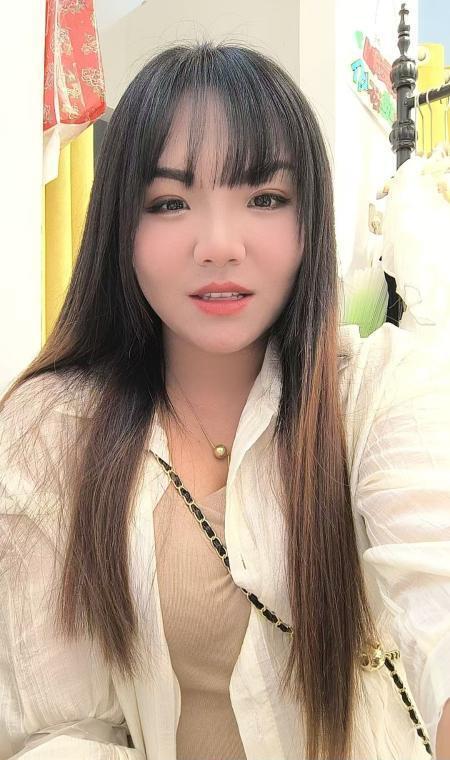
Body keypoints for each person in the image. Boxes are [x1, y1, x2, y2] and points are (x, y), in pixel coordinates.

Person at [0, 40, 449, 760]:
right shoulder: (52, 429)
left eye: (264, 198)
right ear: (120, 228)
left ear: (308, 221)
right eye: (170, 202)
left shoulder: (376, 392)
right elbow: (57, 729)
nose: (218, 245)